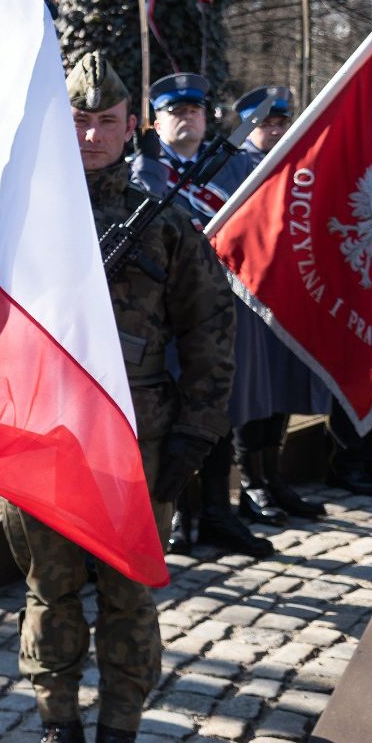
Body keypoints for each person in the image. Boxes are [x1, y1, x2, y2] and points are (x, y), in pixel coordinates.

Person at [10, 55, 234, 743]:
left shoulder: (162, 225)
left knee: (128, 592)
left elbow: (211, 333)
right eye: (79, 121)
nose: (91, 136)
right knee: (51, 589)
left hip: (140, 440)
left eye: (106, 122)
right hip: (44, 432)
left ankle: (120, 723)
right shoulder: (19, 218)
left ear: (131, 126)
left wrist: (196, 436)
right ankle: (60, 721)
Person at [131, 72, 273, 558]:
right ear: (155, 122)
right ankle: (177, 517)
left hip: (218, 310)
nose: (187, 117)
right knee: (173, 414)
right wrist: (148, 162)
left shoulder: (229, 167)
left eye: (194, 109)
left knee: (217, 409)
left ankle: (217, 512)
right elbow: (144, 220)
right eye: (175, 111)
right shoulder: (145, 169)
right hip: (165, 313)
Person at [225, 87, 328, 524]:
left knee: (282, 385)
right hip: (247, 297)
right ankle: (249, 483)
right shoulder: (233, 167)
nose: (274, 129)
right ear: (248, 126)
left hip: (287, 294)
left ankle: (272, 477)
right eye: (265, 123)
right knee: (252, 390)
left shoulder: (294, 166)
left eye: (279, 123)